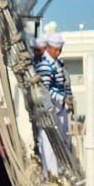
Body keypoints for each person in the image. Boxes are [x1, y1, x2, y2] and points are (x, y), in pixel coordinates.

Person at [34, 31, 72, 174]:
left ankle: (61, 171)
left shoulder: (57, 64)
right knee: (50, 143)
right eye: (56, 49)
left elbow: (65, 85)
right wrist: (63, 98)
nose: (58, 52)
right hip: (51, 108)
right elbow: (45, 90)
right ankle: (51, 174)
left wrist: (69, 98)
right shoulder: (44, 65)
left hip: (60, 108)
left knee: (62, 141)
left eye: (60, 49)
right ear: (49, 47)